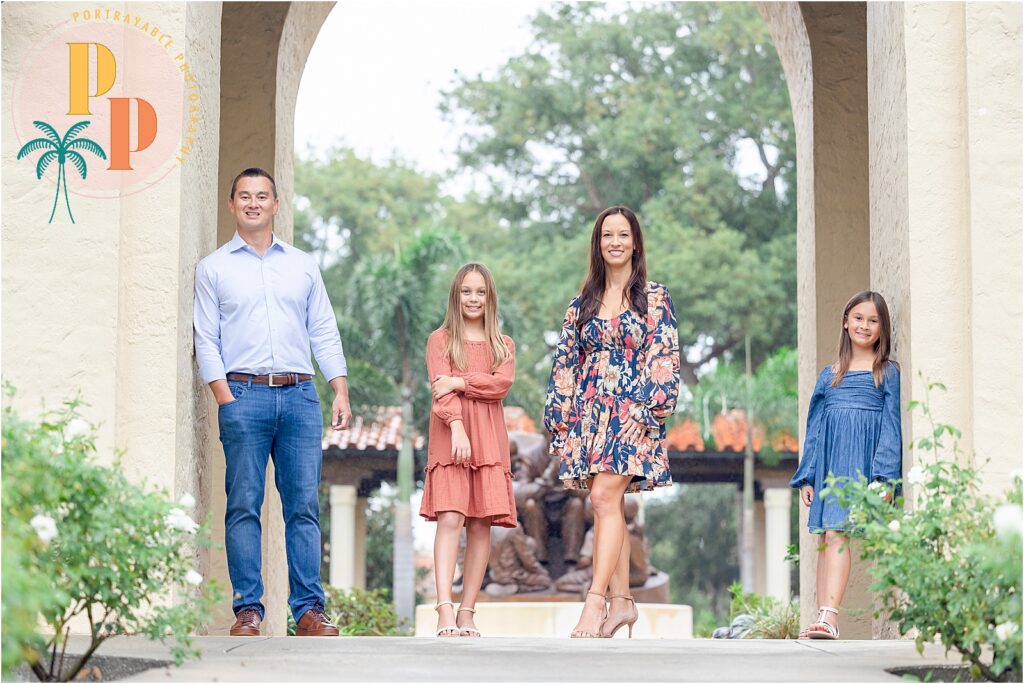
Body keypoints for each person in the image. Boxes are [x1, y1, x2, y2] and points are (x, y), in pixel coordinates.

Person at [193, 167, 350, 637]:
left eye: (263, 196)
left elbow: (322, 327)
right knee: (243, 503)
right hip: (242, 395)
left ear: (277, 204)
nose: (254, 203)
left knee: (303, 505)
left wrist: (338, 386)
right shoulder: (213, 268)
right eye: (245, 196)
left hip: (301, 397)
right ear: (232, 204)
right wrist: (225, 396)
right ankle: (249, 610)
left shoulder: (302, 265)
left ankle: (307, 611)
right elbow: (206, 337)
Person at [543, 205, 680, 639]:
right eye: (607, 235)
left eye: (623, 234)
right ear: (598, 244)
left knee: (603, 498)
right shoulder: (580, 304)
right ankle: (623, 604)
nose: (615, 242)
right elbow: (564, 363)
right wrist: (561, 423)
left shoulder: (655, 298)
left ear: (635, 242)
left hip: (633, 415)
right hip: (590, 415)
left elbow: (666, 356)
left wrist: (651, 409)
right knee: (608, 507)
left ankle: (594, 601)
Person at [789, 290, 902, 639]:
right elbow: (815, 426)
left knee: (838, 532)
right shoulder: (830, 374)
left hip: (861, 462)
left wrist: (885, 477)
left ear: (882, 328)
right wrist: (808, 473)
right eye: (858, 318)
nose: (864, 326)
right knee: (826, 536)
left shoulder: (887, 373)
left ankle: (830, 617)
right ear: (845, 322)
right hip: (829, 463)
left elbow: (891, 426)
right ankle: (823, 613)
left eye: (873, 320)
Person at [419, 262, 517, 638]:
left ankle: (467, 612)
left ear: (489, 297)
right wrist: (458, 428)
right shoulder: (440, 340)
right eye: (466, 291)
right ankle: (444, 609)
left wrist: (459, 380)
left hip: (490, 440)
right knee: (450, 518)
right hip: (451, 435)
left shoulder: (502, 345)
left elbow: (501, 386)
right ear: (455, 296)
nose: (473, 298)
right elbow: (440, 392)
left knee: (481, 524)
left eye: (480, 292)